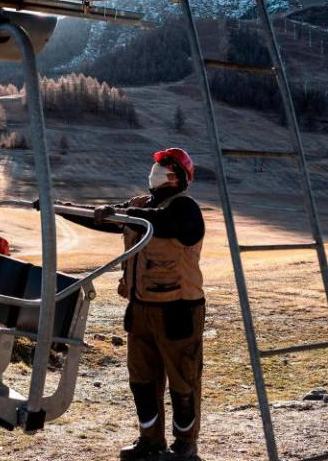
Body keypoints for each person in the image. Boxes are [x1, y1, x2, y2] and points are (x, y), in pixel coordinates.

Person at [45, 148, 206, 461]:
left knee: (183, 381)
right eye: (156, 165)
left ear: (176, 175)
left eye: (163, 166)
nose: (155, 170)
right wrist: (58, 208)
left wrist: (121, 214)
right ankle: (151, 442)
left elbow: (161, 223)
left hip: (179, 308)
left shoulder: (184, 209)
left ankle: (185, 447)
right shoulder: (140, 205)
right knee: (142, 380)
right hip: (140, 308)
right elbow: (103, 218)